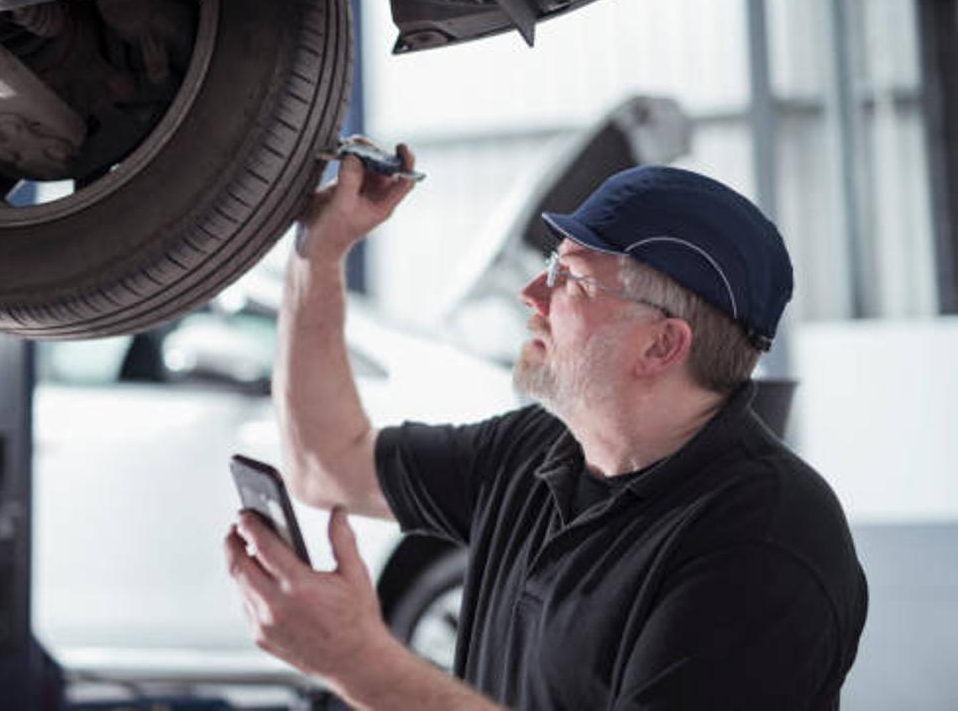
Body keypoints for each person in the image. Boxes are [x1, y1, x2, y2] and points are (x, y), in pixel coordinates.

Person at [223, 148, 868, 710]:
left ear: (661, 346)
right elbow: (327, 462)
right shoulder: (536, 453)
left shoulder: (762, 547)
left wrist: (359, 664)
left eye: (570, 278)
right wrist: (318, 252)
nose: (531, 293)